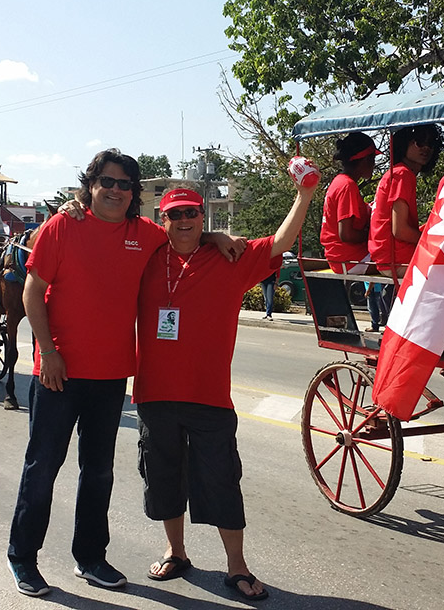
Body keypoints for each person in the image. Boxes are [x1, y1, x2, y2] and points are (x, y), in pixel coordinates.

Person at [7, 149, 244, 598]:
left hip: (111, 375)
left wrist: (213, 234)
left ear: (134, 193)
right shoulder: (63, 226)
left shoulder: (145, 234)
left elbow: (183, 230)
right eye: (107, 182)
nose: (116, 190)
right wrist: (49, 352)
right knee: (42, 468)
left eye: (125, 184)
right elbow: (33, 291)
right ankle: (23, 557)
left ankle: (89, 557)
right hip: (59, 373)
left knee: (97, 472)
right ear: (91, 186)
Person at [135, 183, 315, 602]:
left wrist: (304, 195)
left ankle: (237, 567)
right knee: (161, 475)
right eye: (174, 215)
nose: (183, 222)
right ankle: (176, 552)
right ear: (162, 220)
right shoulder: (145, 256)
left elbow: (283, 240)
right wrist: (74, 205)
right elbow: (109, 224)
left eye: (191, 214)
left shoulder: (229, 256)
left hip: (209, 395)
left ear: (203, 216)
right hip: (153, 393)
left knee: (220, 480)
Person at [369, 125, 441, 277]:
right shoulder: (403, 174)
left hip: (385, 259)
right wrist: (432, 241)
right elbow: (400, 230)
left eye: (431, 143)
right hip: (398, 260)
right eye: (419, 142)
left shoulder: (395, 172)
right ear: (403, 143)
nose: (426, 148)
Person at [321, 131, 378, 274]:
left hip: (341, 258)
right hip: (349, 259)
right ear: (366, 160)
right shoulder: (347, 186)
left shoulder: (339, 182)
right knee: (404, 260)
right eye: (373, 159)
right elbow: (346, 234)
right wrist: (374, 234)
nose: (374, 164)